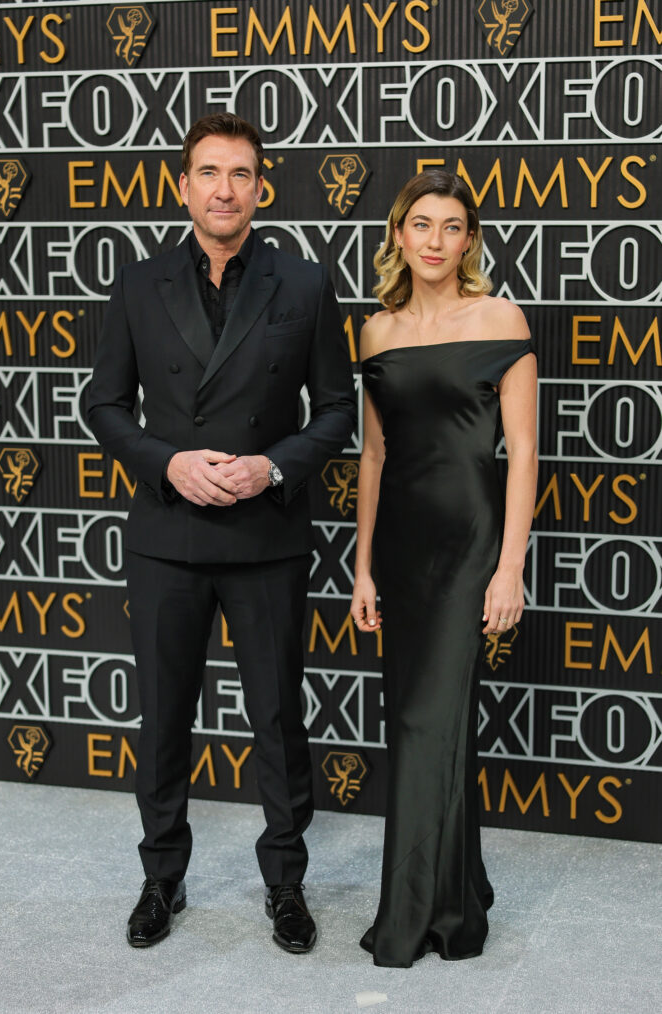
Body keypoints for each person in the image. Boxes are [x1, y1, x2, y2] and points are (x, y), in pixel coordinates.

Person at [88, 113, 356, 952]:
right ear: (183, 186)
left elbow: (338, 409)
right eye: (209, 172)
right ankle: (162, 877)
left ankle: (285, 885)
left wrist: (271, 466)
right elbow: (103, 404)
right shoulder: (138, 284)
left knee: (277, 721)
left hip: (265, 538)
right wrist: (167, 463)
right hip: (167, 536)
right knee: (163, 718)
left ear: (261, 188)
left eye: (240, 174)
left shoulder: (306, 284)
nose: (224, 189)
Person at [350, 169, 537, 967]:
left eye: (451, 226)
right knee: (419, 722)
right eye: (420, 224)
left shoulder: (500, 316)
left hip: (469, 542)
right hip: (399, 545)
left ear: (470, 239)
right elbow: (374, 453)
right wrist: (361, 566)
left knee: (435, 720)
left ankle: (425, 915)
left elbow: (524, 448)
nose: (434, 240)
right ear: (398, 235)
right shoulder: (375, 332)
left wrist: (510, 566)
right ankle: (458, 888)